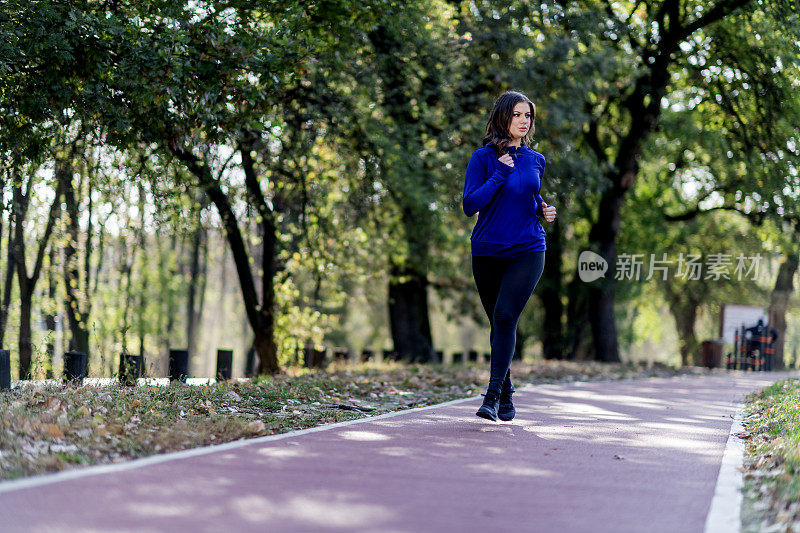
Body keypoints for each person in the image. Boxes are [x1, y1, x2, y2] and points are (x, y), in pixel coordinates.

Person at [462, 90, 557, 421]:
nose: (523, 120)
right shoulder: (483, 158)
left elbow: (528, 193)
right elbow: (470, 204)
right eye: (517, 114)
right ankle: (507, 393)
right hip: (487, 250)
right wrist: (499, 173)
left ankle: (491, 396)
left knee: (504, 317)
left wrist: (543, 208)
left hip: (528, 249)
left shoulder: (536, 159)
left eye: (527, 116)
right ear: (503, 117)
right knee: (498, 323)